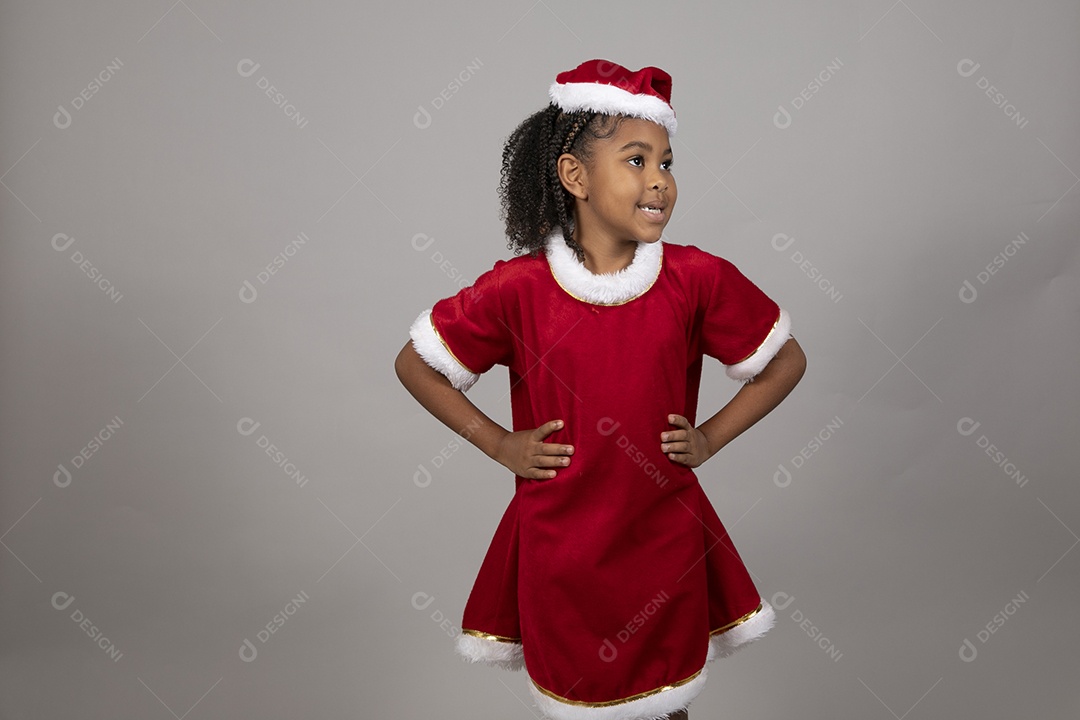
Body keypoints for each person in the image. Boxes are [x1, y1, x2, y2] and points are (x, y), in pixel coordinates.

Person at [395, 58, 806, 720]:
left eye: (667, 163)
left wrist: (710, 438)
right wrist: (500, 445)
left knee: (666, 696)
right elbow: (416, 364)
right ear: (575, 176)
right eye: (637, 160)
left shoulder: (696, 279)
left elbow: (784, 361)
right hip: (562, 546)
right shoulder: (518, 290)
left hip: (663, 537)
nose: (659, 182)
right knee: (579, 702)